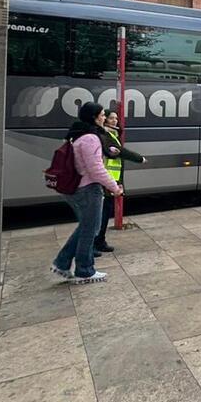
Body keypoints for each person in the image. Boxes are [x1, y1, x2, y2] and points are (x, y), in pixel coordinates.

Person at [51, 102, 122, 284]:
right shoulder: (91, 138)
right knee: (90, 229)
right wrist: (114, 187)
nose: (104, 118)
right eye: (102, 115)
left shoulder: (77, 134)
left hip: (76, 187)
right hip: (88, 189)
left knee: (86, 227)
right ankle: (84, 270)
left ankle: (62, 263)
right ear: (94, 117)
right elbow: (96, 169)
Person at [96, 110, 145, 254]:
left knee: (105, 212)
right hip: (105, 180)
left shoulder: (112, 134)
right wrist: (139, 159)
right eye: (111, 118)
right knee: (103, 213)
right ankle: (97, 242)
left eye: (116, 118)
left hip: (111, 179)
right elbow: (119, 151)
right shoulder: (105, 135)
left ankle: (99, 241)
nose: (115, 121)